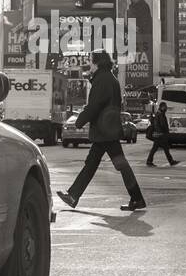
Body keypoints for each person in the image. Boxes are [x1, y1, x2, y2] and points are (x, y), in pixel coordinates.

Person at [56, 51, 147, 212]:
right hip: (107, 130)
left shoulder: (103, 79)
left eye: (91, 61)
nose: (89, 64)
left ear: (97, 63)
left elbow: (95, 105)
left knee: (104, 165)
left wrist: (80, 120)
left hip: (104, 131)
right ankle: (136, 198)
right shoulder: (108, 77)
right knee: (101, 165)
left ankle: (73, 195)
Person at [145, 101, 178, 167]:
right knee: (163, 148)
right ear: (162, 107)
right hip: (160, 134)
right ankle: (170, 161)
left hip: (158, 134)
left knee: (159, 148)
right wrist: (166, 132)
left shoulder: (158, 113)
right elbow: (163, 124)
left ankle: (149, 161)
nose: (166, 108)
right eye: (165, 107)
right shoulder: (160, 114)